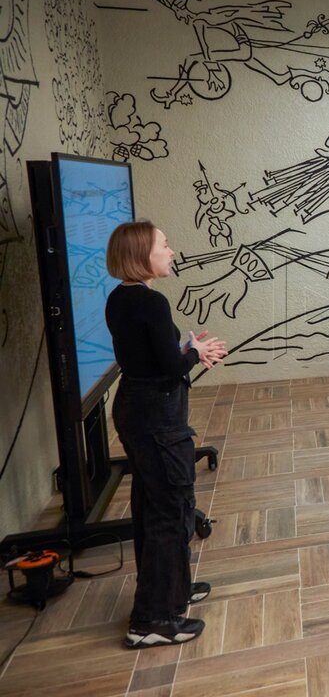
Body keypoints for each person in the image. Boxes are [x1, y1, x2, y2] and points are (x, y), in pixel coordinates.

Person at [105, 222, 228, 648]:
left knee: (152, 505)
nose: (171, 251)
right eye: (164, 244)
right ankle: (151, 620)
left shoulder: (120, 298)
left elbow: (150, 358)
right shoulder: (151, 302)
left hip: (136, 409)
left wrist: (186, 350)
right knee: (170, 510)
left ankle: (172, 592)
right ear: (141, 254)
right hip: (157, 418)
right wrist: (195, 353)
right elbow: (172, 367)